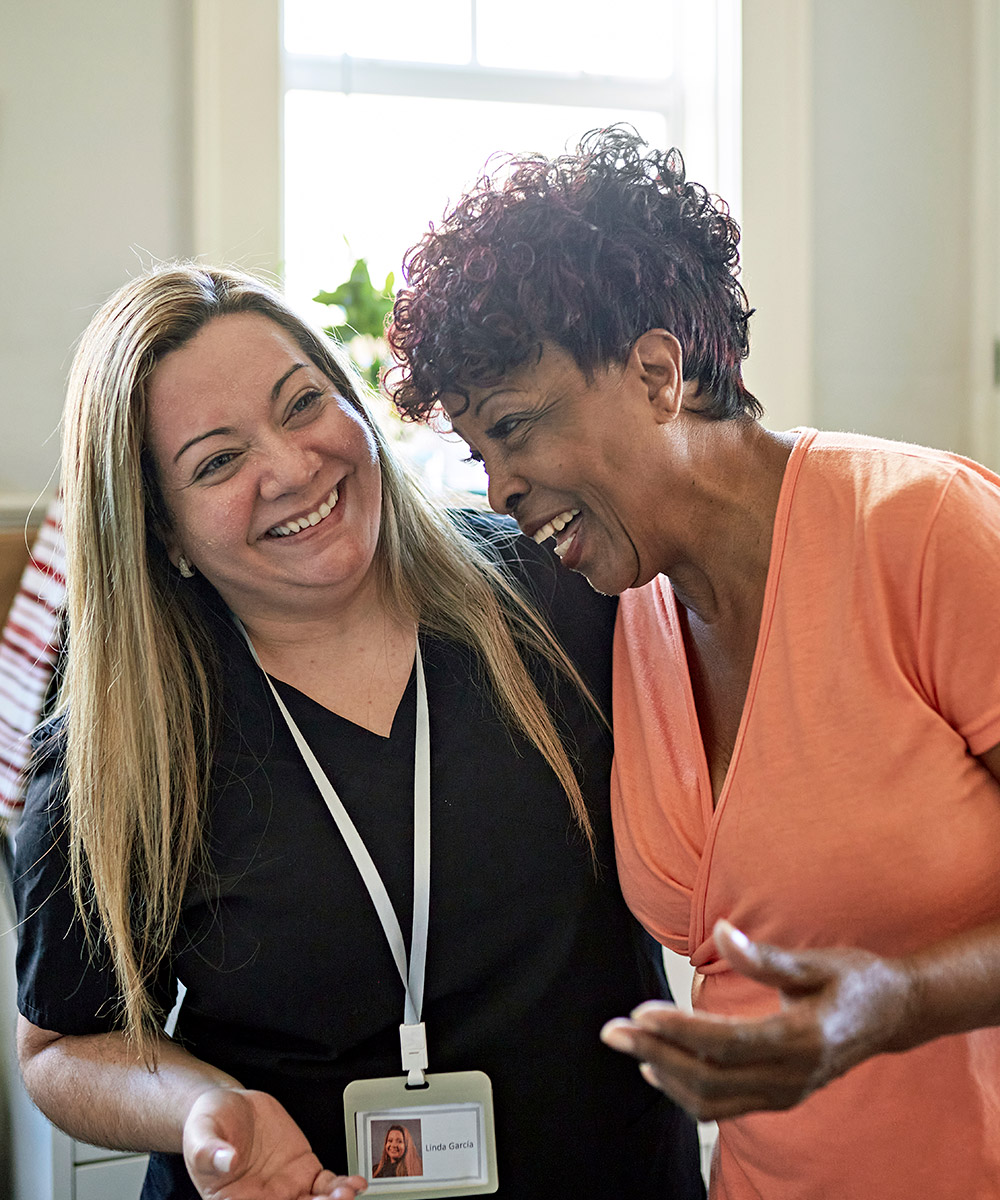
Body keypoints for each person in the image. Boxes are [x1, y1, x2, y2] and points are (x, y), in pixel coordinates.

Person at [386, 126, 1000, 1199]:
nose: (499, 490)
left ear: (658, 372)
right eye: (477, 453)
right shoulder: (620, 609)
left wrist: (897, 1000)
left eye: (516, 428)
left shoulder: (923, 529)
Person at [13, 263, 705, 1200]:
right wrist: (201, 1109)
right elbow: (61, 1045)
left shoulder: (557, 590)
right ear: (161, 531)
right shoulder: (123, 739)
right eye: (217, 461)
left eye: (303, 404)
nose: (293, 468)